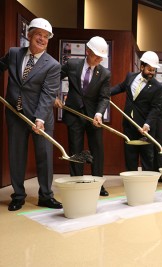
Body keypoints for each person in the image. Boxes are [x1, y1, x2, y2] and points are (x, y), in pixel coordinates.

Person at [0, 18, 62, 211]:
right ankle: (18, 195)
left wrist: (40, 119)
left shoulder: (52, 65)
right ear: (29, 35)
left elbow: (47, 95)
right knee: (16, 155)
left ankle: (46, 195)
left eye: (45, 37)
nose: (42, 39)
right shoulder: (14, 53)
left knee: (44, 156)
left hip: (39, 117)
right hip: (15, 114)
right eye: (38, 35)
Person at [54, 36, 111, 196]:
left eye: (101, 57)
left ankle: (98, 183)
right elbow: (53, 78)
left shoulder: (104, 73)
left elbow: (105, 97)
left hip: (94, 117)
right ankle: (77, 182)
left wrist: (99, 113)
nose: (99, 59)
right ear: (87, 51)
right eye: (96, 55)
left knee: (97, 150)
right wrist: (54, 96)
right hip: (74, 114)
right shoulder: (72, 65)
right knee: (75, 150)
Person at [111, 51, 162, 171]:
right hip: (129, 124)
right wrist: (105, 93)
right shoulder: (130, 76)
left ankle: (147, 186)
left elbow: (156, 108)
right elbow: (120, 87)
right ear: (142, 67)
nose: (152, 73)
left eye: (154, 70)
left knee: (147, 158)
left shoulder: (157, 87)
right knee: (130, 156)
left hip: (145, 128)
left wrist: (147, 124)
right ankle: (131, 183)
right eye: (149, 70)